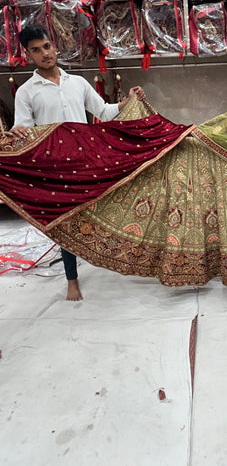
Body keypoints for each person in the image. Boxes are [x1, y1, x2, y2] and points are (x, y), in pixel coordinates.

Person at [10, 24, 137, 301]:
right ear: (28, 55)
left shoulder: (77, 82)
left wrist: (127, 102)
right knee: (65, 223)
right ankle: (72, 279)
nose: (44, 53)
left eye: (46, 46)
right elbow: (24, 129)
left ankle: (121, 259)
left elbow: (103, 111)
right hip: (57, 167)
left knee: (105, 209)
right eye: (36, 50)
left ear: (54, 45)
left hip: (88, 160)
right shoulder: (26, 92)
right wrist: (18, 132)